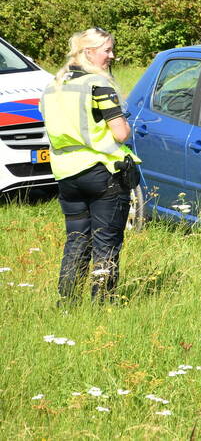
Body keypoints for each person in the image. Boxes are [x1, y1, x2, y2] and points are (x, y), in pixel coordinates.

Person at [39, 28, 140, 305]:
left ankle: (68, 303)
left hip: (66, 175)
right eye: (106, 50)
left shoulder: (54, 85)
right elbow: (120, 133)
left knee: (76, 241)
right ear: (88, 52)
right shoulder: (98, 84)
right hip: (103, 172)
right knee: (106, 242)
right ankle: (103, 303)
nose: (112, 55)